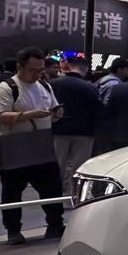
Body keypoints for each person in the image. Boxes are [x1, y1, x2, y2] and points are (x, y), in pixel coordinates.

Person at [0, 47, 66, 245]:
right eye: (33, 70)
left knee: (52, 188)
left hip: (42, 144)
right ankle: (13, 231)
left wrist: (55, 114)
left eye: (40, 70)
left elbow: (51, 110)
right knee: (12, 192)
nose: (37, 74)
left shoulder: (45, 86)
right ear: (20, 66)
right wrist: (29, 115)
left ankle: (55, 224)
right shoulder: (7, 87)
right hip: (15, 146)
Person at [50, 55, 101, 192]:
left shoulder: (54, 84)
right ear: (85, 69)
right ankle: (73, 193)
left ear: (69, 67)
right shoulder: (90, 87)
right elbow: (97, 109)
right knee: (79, 165)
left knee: (58, 163)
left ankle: (55, 193)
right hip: (84, 131)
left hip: (59, 129)